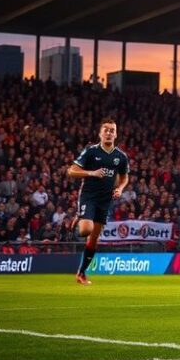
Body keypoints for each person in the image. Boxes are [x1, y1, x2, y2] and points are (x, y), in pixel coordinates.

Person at [66, 119, 129, 285]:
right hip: (89, 196)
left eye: (112, 130)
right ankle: (80, 217)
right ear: (100, 134)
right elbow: (71, 171)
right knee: (86, 230)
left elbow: (124, 177)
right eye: (106, 130)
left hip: (105, 200)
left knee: (94, 239)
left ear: (116, 134)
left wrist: (120, 189)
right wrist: (91, 173)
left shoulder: (121, 157)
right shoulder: (91, 151)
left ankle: (81, 273)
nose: (109, 133)